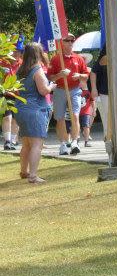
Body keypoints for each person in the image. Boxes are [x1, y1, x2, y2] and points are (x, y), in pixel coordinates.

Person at [13, 43, 52, 183]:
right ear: (38, 53)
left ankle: (24, 171)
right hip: (35, 109)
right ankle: (33, 176)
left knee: (26, 144)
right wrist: (51, 86)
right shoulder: (37, 70)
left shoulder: (20, 70)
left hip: (21, 108)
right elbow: (43, 91)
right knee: (37, 144)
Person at [47, 33, 89, 156]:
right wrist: (60, 75)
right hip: (60, 90)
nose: (70, 42)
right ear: (62, 42)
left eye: (72, 40)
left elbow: (86, 75)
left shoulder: (78, 58)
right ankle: (64, 144)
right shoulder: (55, 59)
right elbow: (50, 77)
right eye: (67, 40)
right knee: (59, 118)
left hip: (75, 90)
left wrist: (79, 76)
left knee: (75, 116)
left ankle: (75, 142)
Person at [2, 41, 22, 150]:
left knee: (16, 119)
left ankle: (14, 141)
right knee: (7, 117)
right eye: (14, 50)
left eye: (18, 51)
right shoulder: (2, 63)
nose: (15, 53)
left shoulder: (23, 64)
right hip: (5, 94)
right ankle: (7, 141)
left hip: (18, 95)